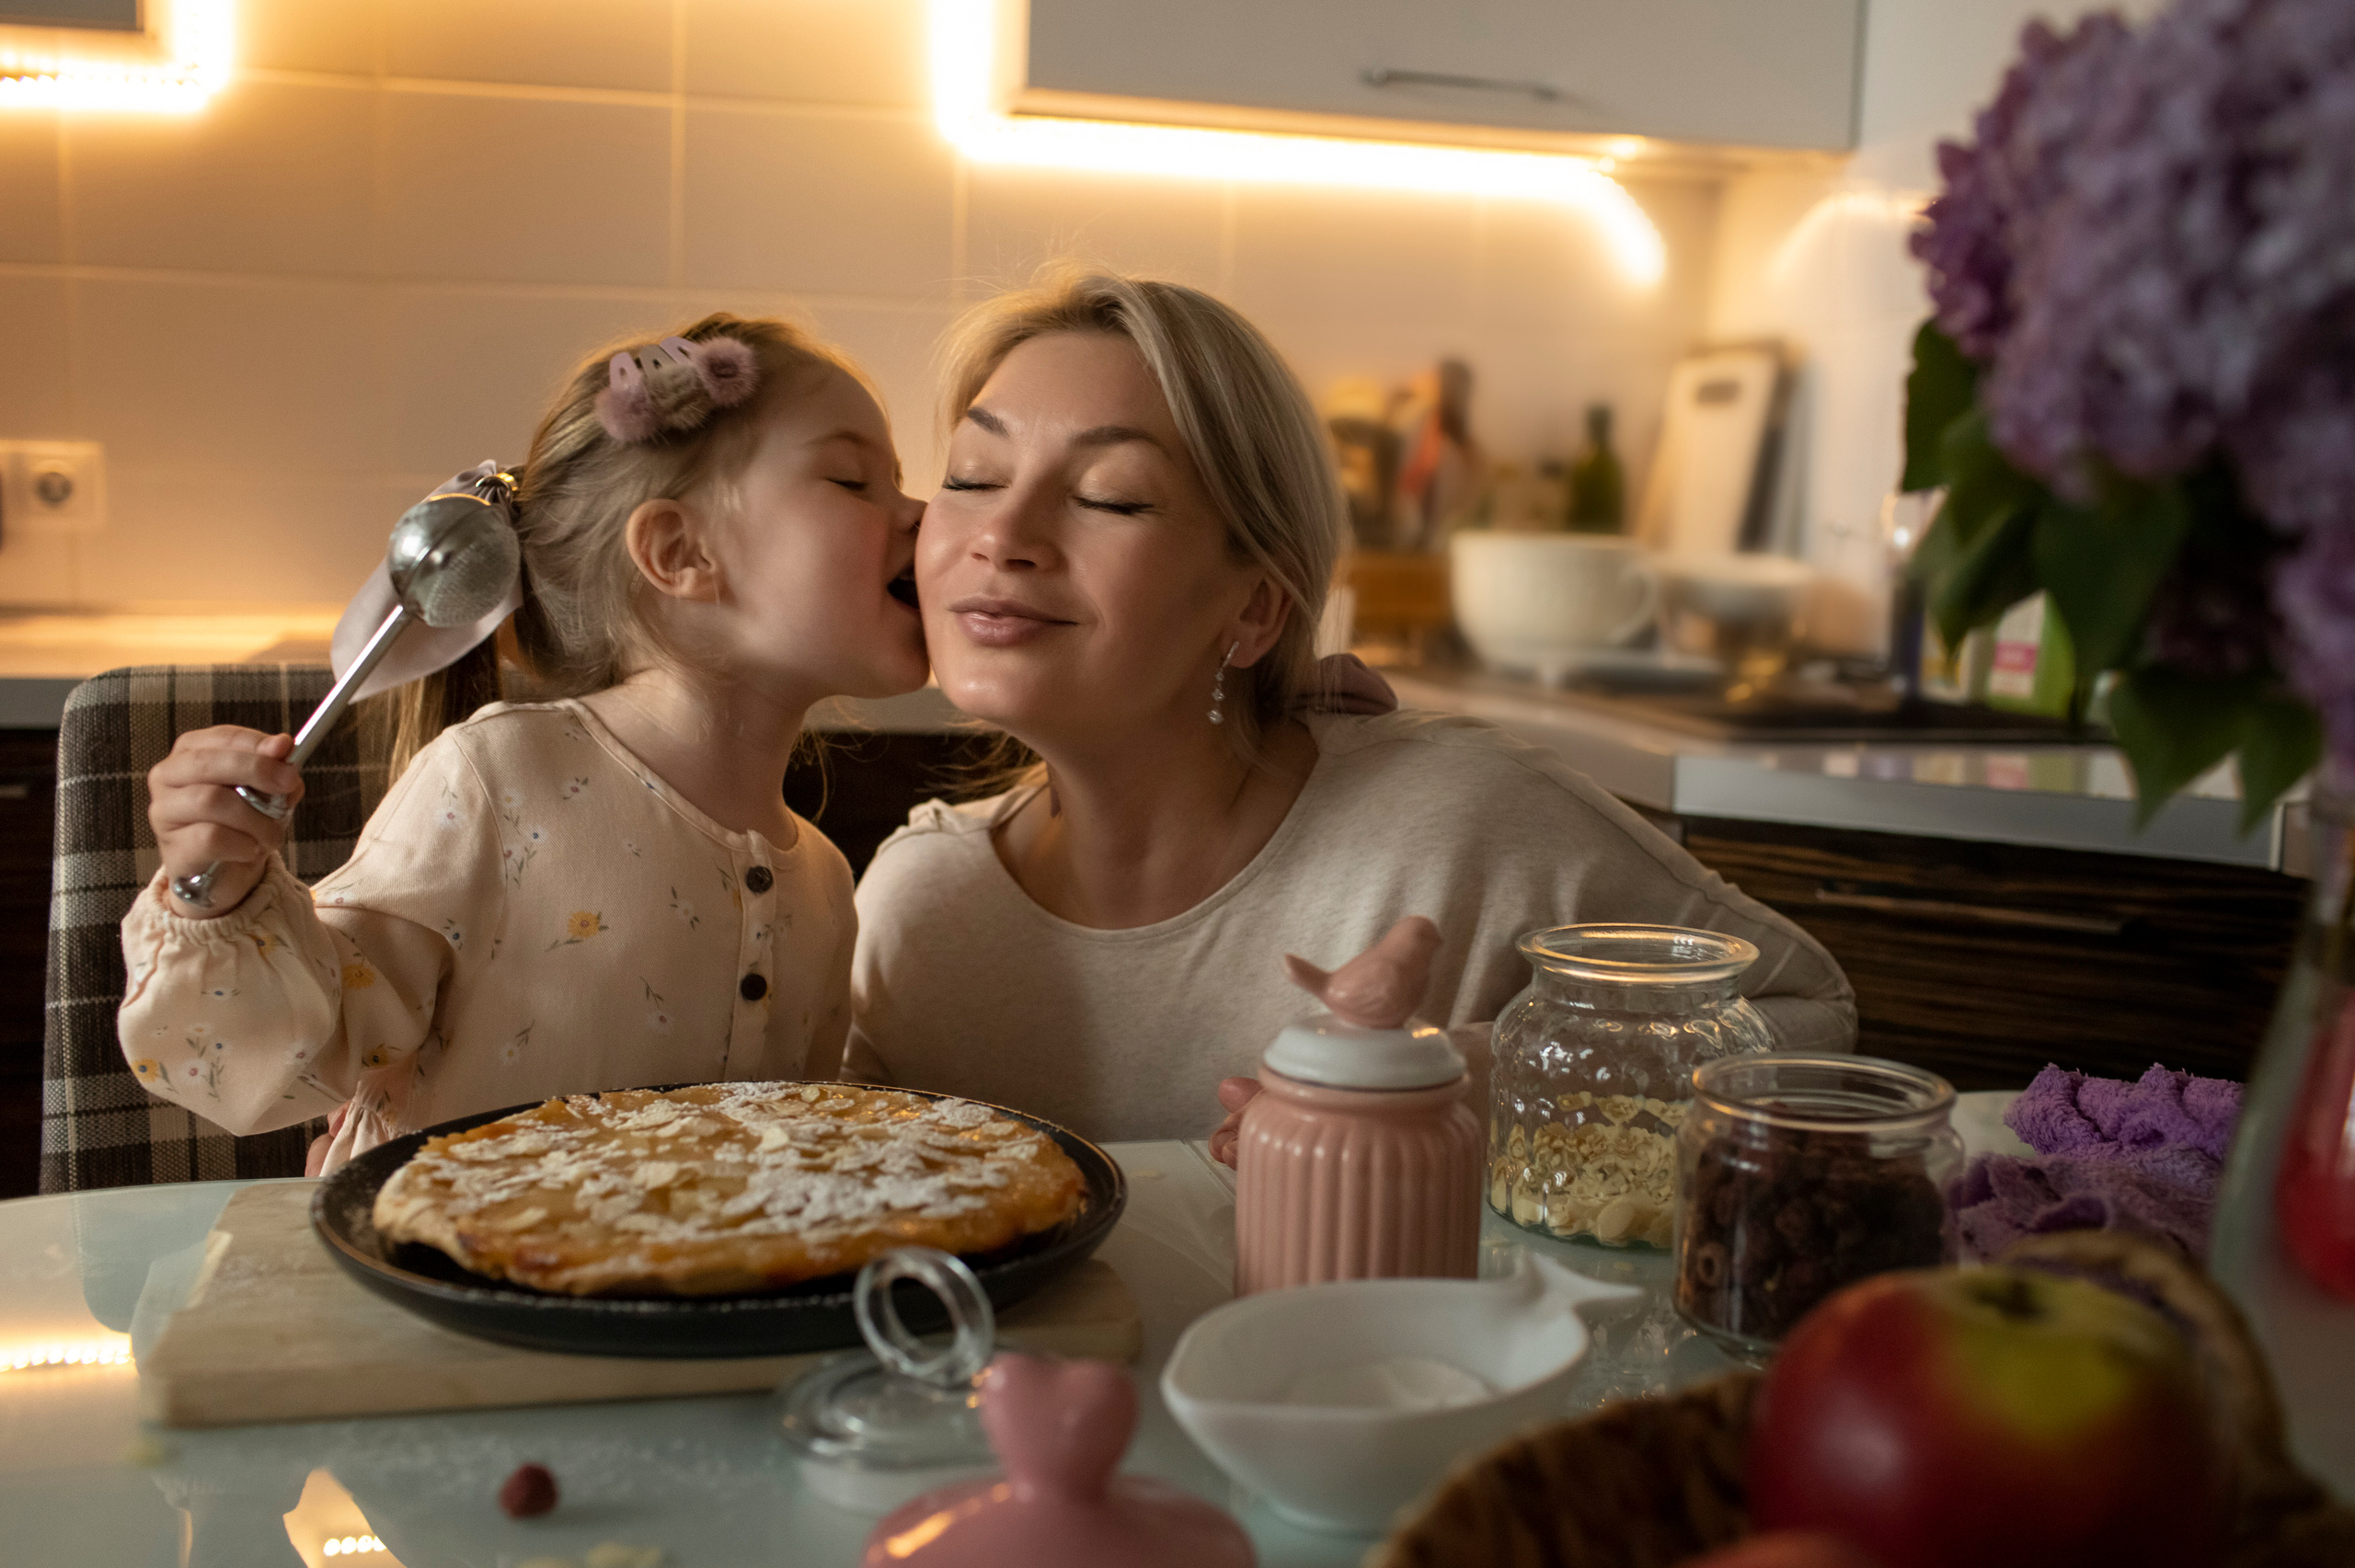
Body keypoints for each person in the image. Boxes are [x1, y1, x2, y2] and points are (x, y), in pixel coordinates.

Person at [846, 270, 1855, 1147]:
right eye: (972, 478)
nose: (1001, 533)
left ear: (1254, 608)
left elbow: (1804, 1012)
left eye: (1111, 495)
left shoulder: (1459, 827)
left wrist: (1479, 1075)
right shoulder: (916, 908)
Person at [120, 315, 927, 1172]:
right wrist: (221, 896)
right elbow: (303, 1060)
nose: (925, 513)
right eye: (852, 479)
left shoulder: (828, 882)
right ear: (679, 551)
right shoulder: (497, 781)